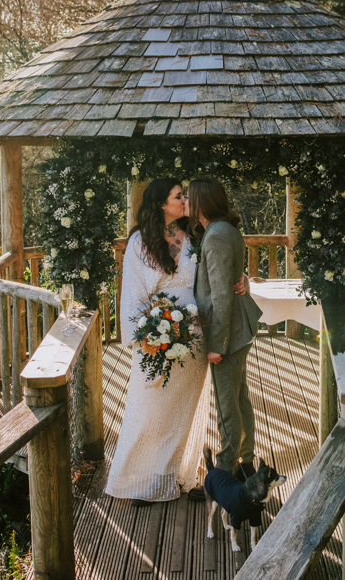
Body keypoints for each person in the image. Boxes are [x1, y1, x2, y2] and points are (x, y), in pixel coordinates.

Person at [105, 178, 244, 505]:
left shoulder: (196, 235)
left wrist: (242, 280)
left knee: (182, 411)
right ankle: (142, 479)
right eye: (179, 196)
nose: (185, 200)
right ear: (161, 204)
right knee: (148, 409)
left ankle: (171, 475)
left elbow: (218, 270)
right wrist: (147, 333)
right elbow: (133, 294)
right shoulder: (139, 242)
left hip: (194, 333)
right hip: (155, 334)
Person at [186, 178, 263, 482]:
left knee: (227, 406)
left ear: (201, 203)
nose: (186, 203)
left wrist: (217, 344)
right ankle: (246, 463)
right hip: (239, 328)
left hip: (228, 333)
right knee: (240, 399)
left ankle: (225, 471)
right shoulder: (225, 230)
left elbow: (220, 296)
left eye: (189, 198)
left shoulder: (216, 236)